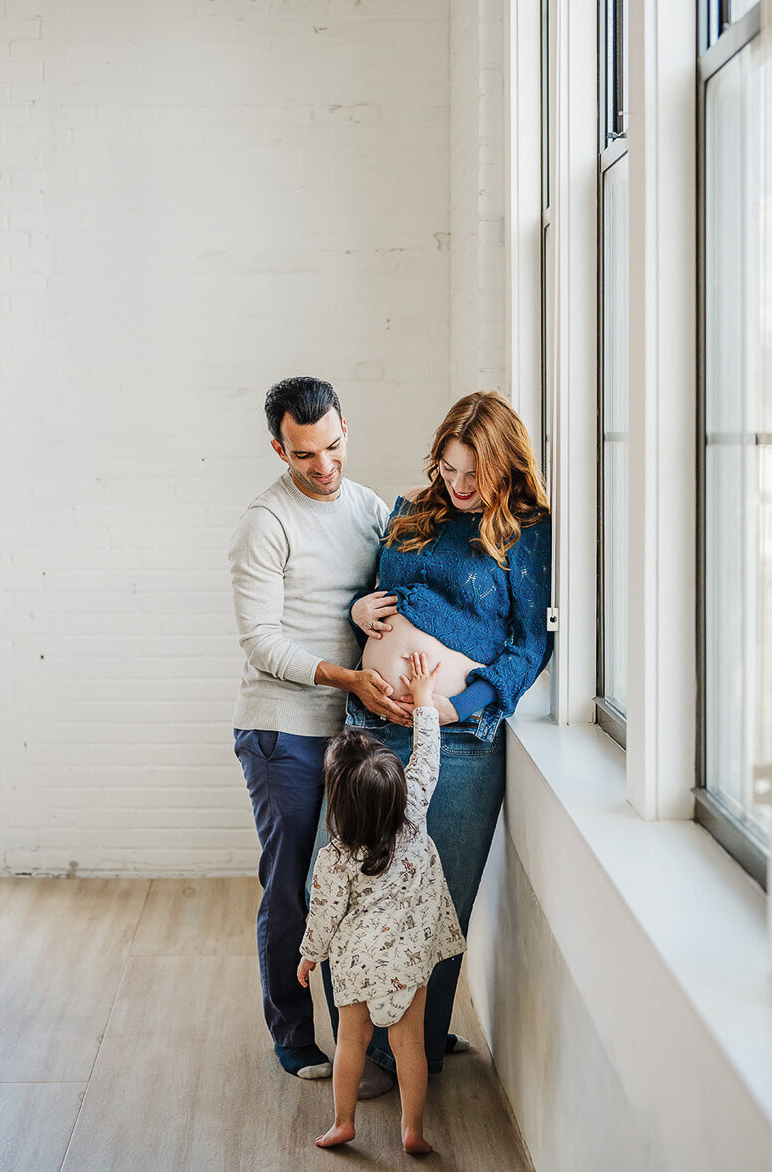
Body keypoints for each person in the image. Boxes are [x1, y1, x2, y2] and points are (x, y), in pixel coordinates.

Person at [316, 389, 552, 1093]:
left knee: (435, 900)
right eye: (448, 469)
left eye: (473, 473)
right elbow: (366, 591)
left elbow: (528, 645)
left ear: (505, 463)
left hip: (458, 743)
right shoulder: (411, 511)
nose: (458, 486)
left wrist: (454, 707)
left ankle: (409, 1049)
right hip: (368, 727)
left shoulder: (525, 531)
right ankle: (363, 1045)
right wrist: (358, 608)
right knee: (338, 886)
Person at [229, 375, 412, 1081]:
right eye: (305, 454)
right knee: (294, 889)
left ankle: (371, 1036)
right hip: (283, 732)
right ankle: (293, 1037)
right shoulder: (265, 523)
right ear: (279, 447)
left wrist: (363, 611)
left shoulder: (366, 507)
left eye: (332, 446)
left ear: (344, 429)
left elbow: (379, 592)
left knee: (360, 887)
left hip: (353, 731)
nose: (323, 465)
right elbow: (262, 641)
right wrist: (346, 675)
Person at [298, 652, 465, 1155]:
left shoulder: (336, 854)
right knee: (407, 1044)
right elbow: (427, 753)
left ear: (339, 803)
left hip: (356, 962)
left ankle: (343, 1122)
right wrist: (422, 697)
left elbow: (323, 914)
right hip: (408, 958)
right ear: (395, 788)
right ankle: (412, 1129)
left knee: (352, 1042)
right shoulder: (413, 807)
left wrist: (309, 956)